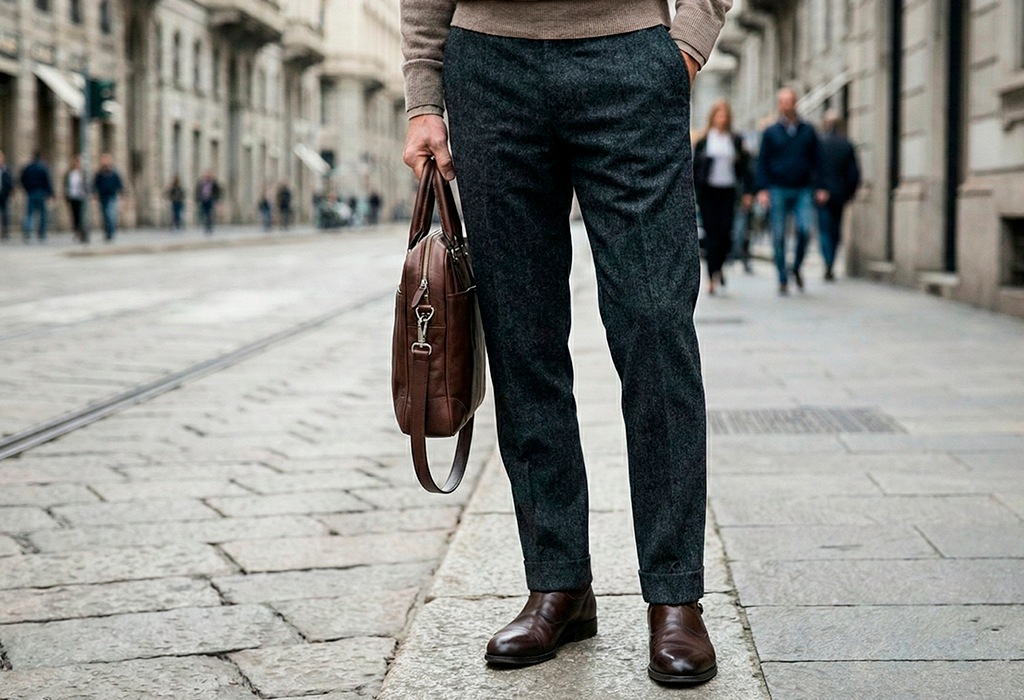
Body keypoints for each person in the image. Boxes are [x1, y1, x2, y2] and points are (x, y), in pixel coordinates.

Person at [402, 0, 731, 686]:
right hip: (488, 66)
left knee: (656, 325)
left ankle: (675, 593)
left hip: (631, 57)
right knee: (523, 339)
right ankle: (559, 583)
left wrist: (688, 46)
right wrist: (423, 97)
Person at [755, 88, 826, 295]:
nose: (787, 105)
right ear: (779, 105)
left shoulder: (808, 131)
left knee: (805, 230)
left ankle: (795, 268)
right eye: (783, 102)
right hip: (777, 188)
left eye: (790, 101)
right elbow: (762, 162)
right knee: (778, 235)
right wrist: (762, 189)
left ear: (796, 103)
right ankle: (782, 277)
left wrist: (821, 186)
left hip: (803, 188)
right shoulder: (771, 132)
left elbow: (818, 161)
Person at [693, 101, 752, 294]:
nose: (721, 118)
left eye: (724, 115)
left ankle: (719, 267)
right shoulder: (704, 141)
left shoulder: (734, 140)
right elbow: (695, 169)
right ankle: (712, 275)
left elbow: (745, 168)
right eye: (718, 114)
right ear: (712, 117)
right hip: (709, 192)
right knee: (711, 233)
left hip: (728, 191)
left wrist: (748, 193)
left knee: (725, 232)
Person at [815, 111, 861, 281]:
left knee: (825, 231)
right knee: (835, 230)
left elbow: (814, 170)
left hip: (822, 195)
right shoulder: (846, 144)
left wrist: (818, 189)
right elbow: (854, 173)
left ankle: (828, 262)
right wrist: (848, 193)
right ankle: (830, 261)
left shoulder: (820, 144)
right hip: (839, 195)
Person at [20, 152, 54, 243]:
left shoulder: (28, 168)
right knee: (42, 214)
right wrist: (50, 193)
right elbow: (47, 180)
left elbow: (22, 179)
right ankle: (41, 232)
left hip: (30, 192)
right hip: (40, 192)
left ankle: (28, 232)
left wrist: (27, 189)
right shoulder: (42, 168)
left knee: (29, 213)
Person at [93, 154, 124, 241]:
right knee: (105, 215)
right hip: (102, 196)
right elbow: (95, 184)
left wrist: (122, 194)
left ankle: (111, 233)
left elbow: (119, 184)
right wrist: (95, 193)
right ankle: (107, 233)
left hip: (112, 196)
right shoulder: (99, 173)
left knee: (111, 214)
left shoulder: (114, 173)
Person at [66, 155, 89, 243]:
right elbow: (67, 184)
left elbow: (87, 184)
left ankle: (83, 233)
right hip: (72, 196)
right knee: (74, 215)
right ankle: (77, 232)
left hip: (81, 197)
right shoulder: (70, 173)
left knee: (82, 215)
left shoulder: (83, 173)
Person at [0, 150, 12, 241]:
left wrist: (9, 191)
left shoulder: (6, 168)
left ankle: (5, 231)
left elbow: (10, 180)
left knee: (5, 213)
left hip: (4, 194)